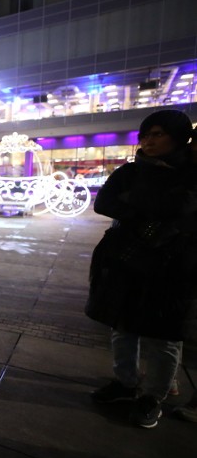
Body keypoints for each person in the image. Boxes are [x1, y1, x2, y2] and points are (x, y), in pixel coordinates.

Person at [86, 109, 197, 428]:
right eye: (145, 135)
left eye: (157, 134)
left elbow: (187, 215)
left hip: (173, 265)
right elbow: (104, 202)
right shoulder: (129, 172)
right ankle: (125, 382)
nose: (148, 141)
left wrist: (154, 217)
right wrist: (148, 217)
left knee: (164, 335)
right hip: (127, 260)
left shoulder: (191, 175)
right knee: (123, 326)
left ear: (177, 137)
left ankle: (154, 397)